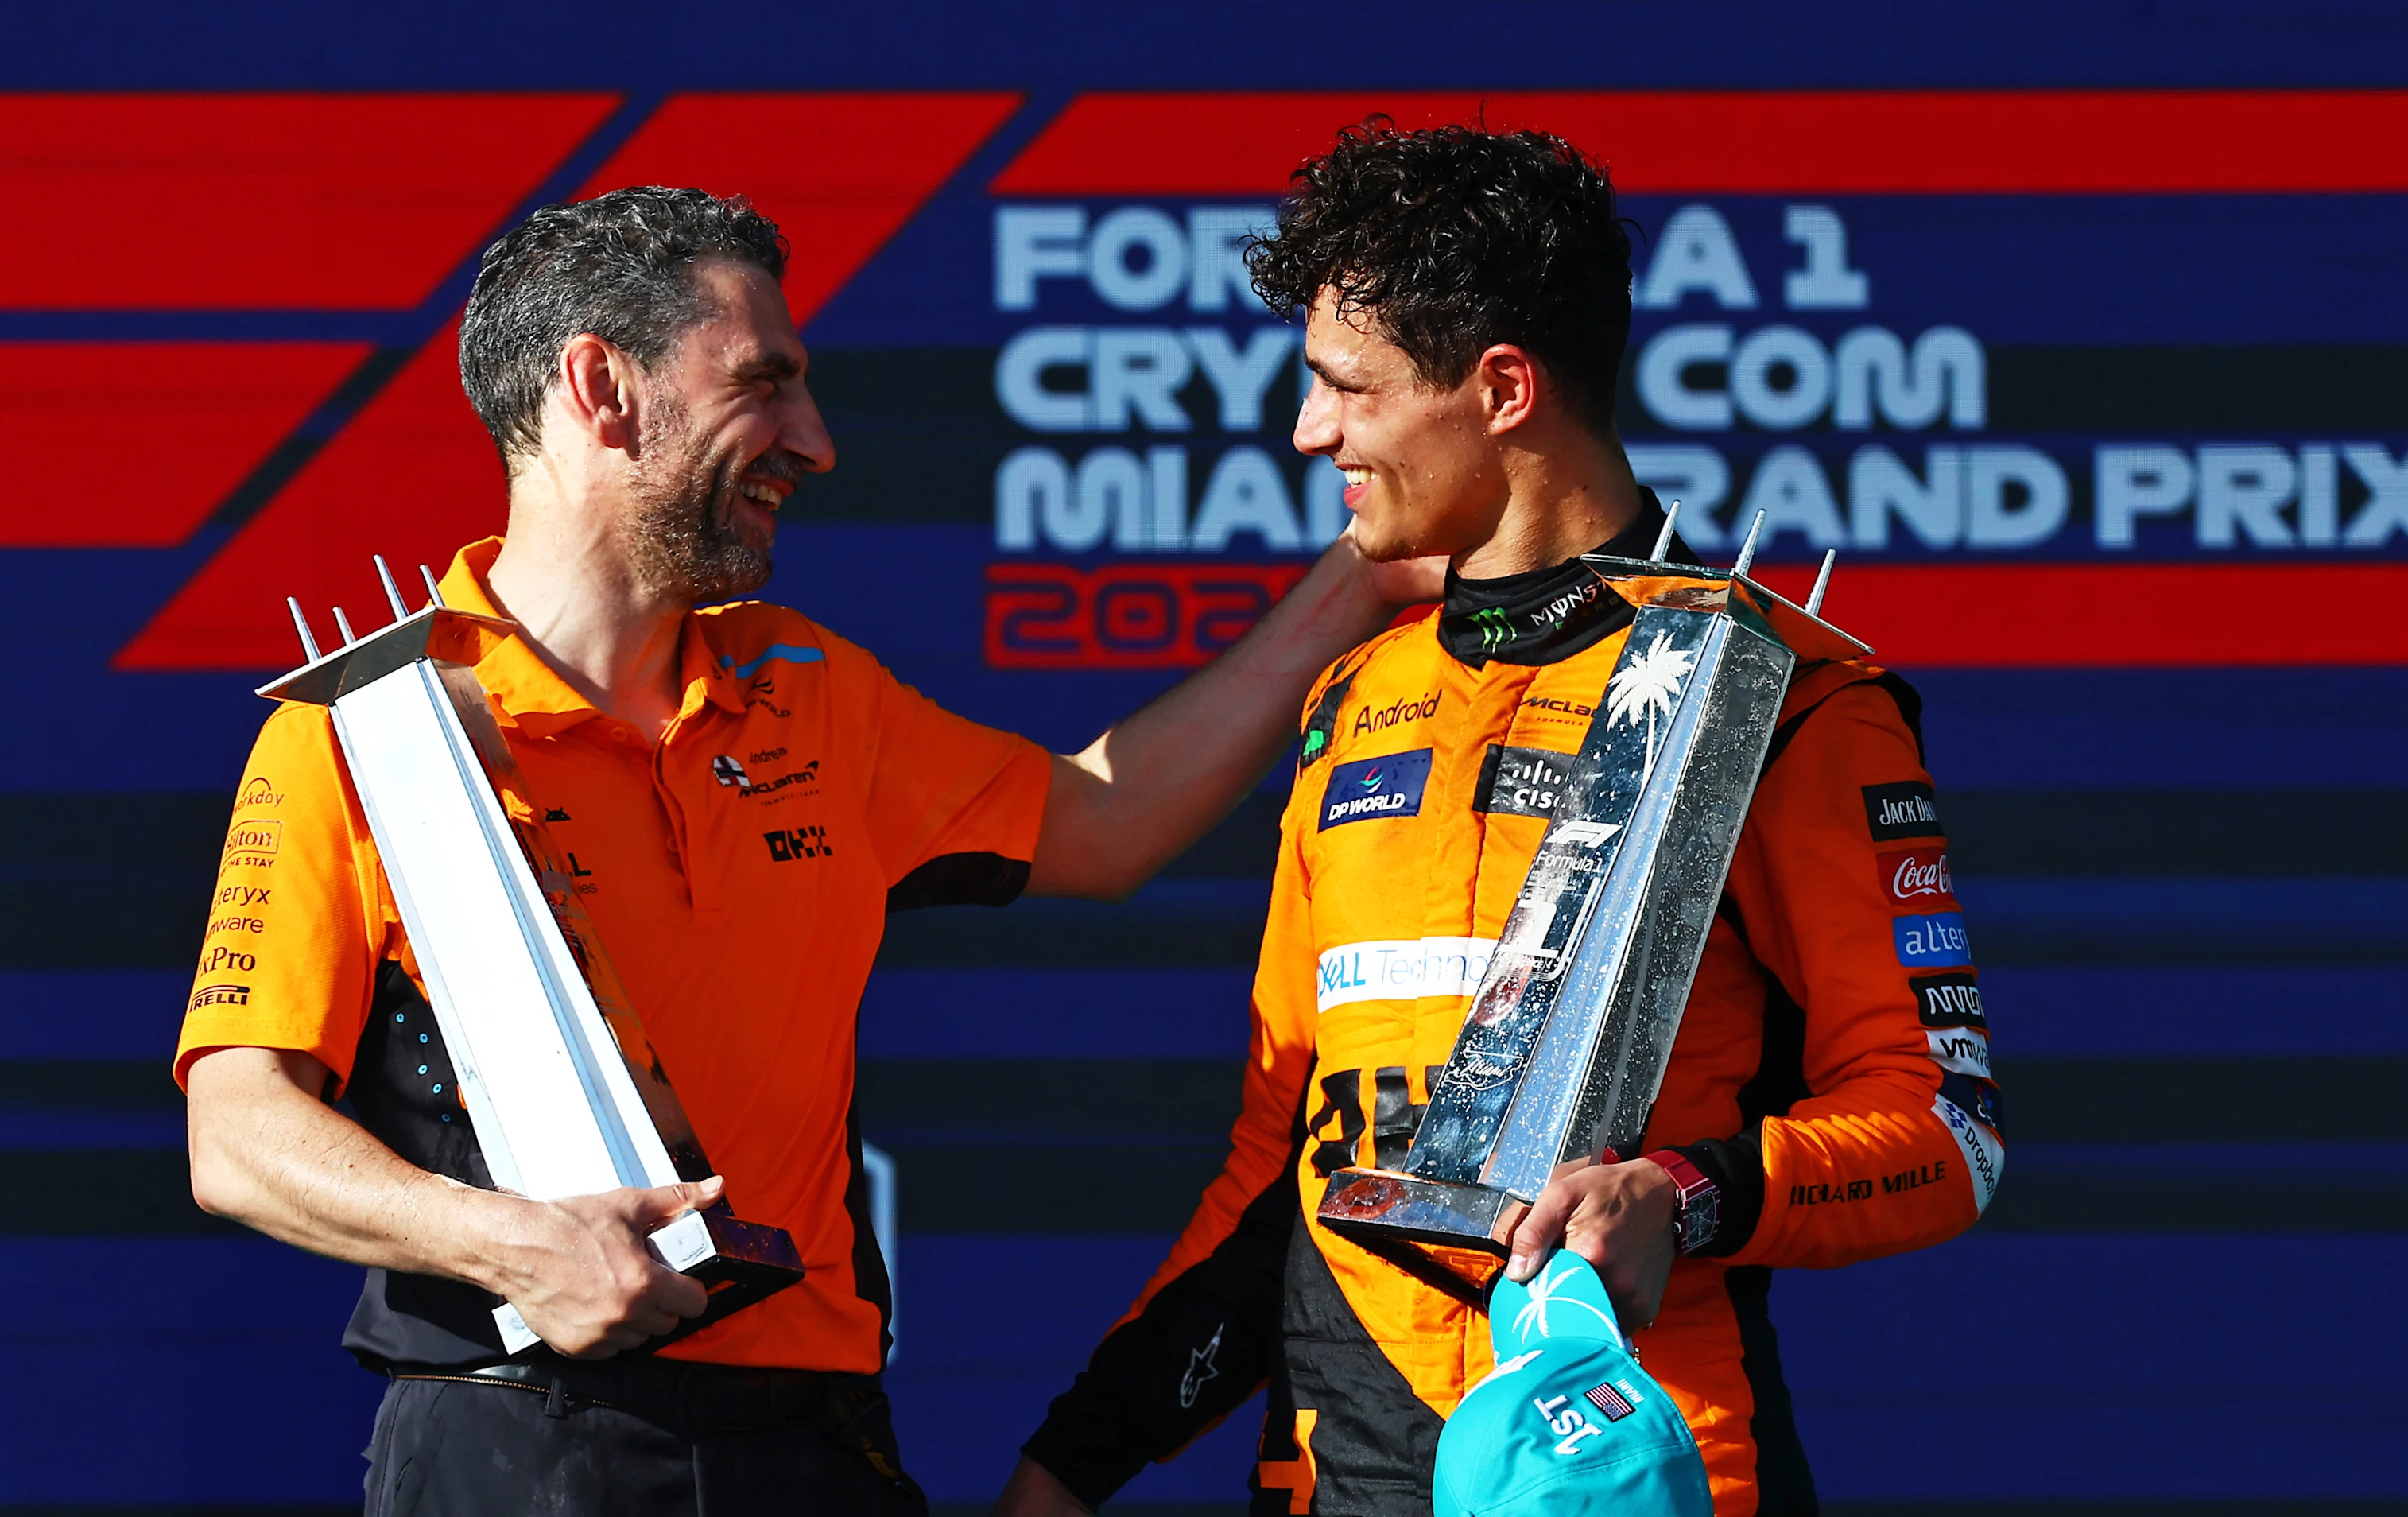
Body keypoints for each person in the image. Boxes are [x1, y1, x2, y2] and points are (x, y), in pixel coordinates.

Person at [176, 187, 1438, 1515]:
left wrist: (1367, 570)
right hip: (520, 1444)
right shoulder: (372, 731)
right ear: (602, 386)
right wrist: (515, 1248)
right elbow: (239, 1132)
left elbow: (1107, 821)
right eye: (763, 385)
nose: (815, 443)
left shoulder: (808, 691)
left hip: (822, 1450)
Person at [997, 121, 2003, 1517]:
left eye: (1346, 389)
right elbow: (1279, 1168)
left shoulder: (1774, 693)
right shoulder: (1353, 698)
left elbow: (1948, 1131)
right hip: (1334, 1473)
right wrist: (1078, 1457)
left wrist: (1686, 1194)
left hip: (1636, 1466)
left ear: (1504, 389)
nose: (1309, 432)